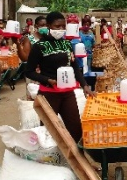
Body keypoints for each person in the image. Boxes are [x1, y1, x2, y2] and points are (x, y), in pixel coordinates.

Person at [25, 11, 94, 142]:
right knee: (47, 130)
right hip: (49, 94)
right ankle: (50, 160)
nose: (61, 29)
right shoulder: (39, 46)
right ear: (49, 26)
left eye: (63, 26)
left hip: (67, 93)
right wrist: (47, 80)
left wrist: (84, 85)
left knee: (76, 130)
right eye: (57, 26)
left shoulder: (67, 44)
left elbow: (74, 67)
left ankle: (79, 160)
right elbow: (29, 72)